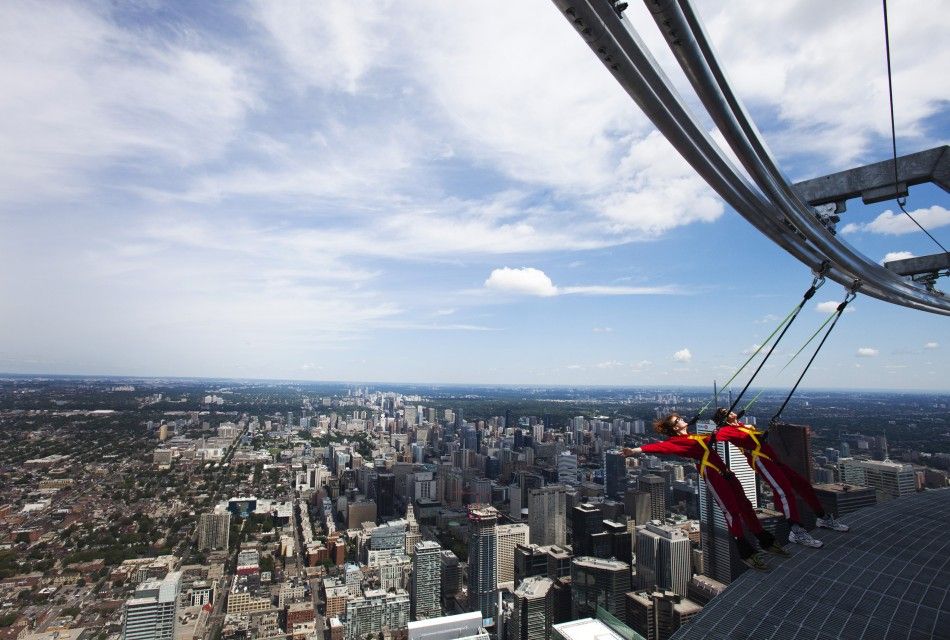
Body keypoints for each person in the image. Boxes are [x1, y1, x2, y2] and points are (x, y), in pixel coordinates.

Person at [622, 412, 783, 572]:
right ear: (675, 428)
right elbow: (659, 447)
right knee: (731, 512)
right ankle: (746, 553)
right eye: (678, 420)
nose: (683, 419)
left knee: (746, 505)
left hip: (726, 474)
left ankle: (765, 540)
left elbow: (713, 438)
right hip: (714, 476)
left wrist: (733, 428)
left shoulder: (694, 437)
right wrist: (635, 450)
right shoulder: (677, 441)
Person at [713, 408, 849, 549]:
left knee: (803, 485)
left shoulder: (742, 426)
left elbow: (754, 440)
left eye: (728, 410)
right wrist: (718, 429)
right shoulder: (726, 430)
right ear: (723, 420)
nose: (729, 411)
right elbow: (717, 437)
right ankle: (796, 531)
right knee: (784, 491)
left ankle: (822, 518)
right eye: (725, 413)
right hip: (760, 460)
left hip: (772, 460)